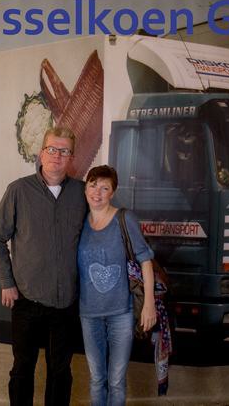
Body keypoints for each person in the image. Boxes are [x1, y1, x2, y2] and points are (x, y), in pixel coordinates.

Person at [0, 127, 87, 406]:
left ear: (71, 158)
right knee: (22, 369)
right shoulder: (18, 191)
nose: (57, 156)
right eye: (52, 149)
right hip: (27, 300)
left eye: (64, 151)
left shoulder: (82, 194)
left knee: (60, 372)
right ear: (41, 153)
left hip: (66, 303)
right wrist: (7, 282)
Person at [77, 165, 157, 406]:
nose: (97, 192)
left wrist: (149, 304)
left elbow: (146, 261)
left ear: (112, 192)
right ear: (85, 188)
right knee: (96, 379)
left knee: (116, 381)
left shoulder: (124, 219)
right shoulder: (79, 222)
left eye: (105, 188)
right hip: (89, 313)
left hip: (121, 313)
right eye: (93, 185)